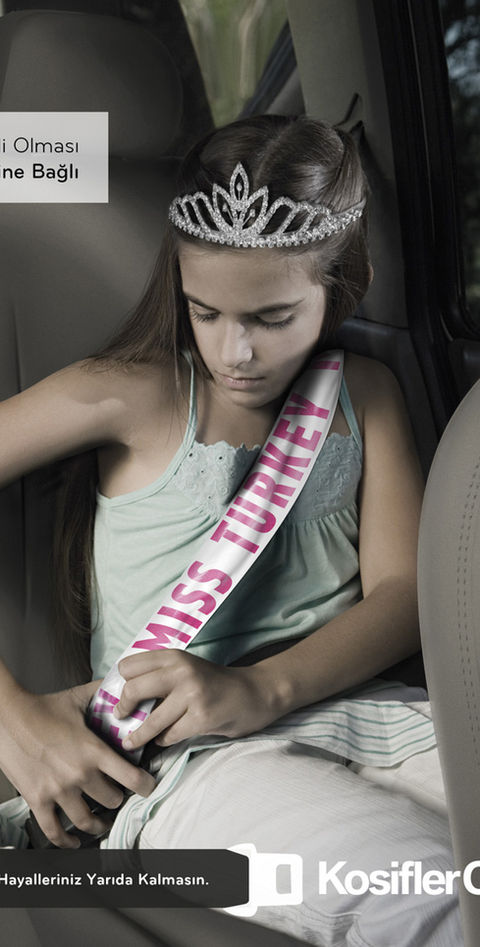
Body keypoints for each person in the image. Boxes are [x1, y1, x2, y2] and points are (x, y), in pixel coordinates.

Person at [0, 115, 463, 944]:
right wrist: (16, 722)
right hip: (193, 766)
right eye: (204, 311)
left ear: (344, 288)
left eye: (273, 316)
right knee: (426, 898)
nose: (235, 350)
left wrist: (263, 688)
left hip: (369, 716)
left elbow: (401, 594)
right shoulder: (132, 392)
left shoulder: (366, 393)